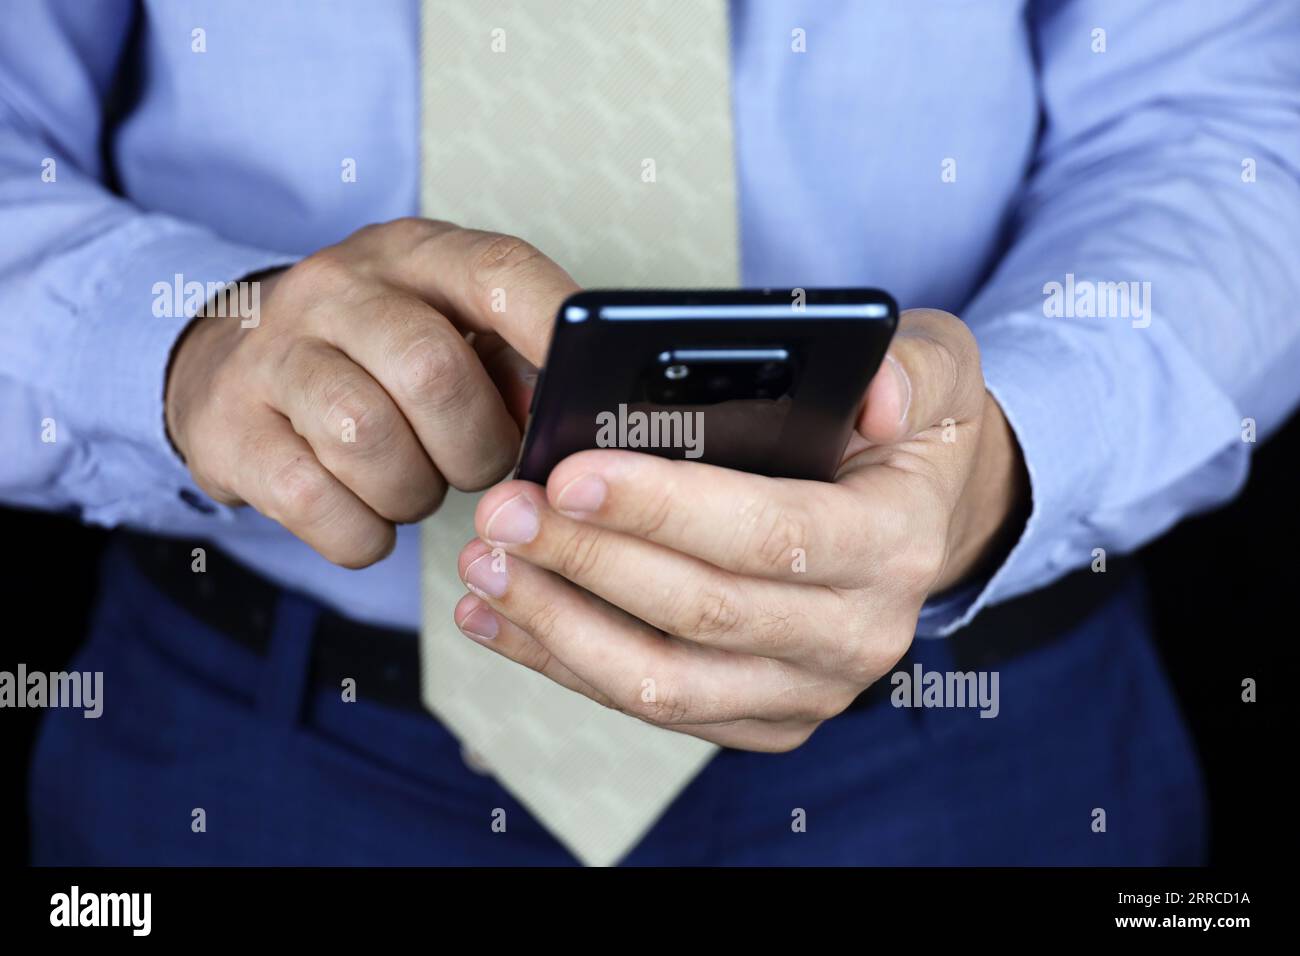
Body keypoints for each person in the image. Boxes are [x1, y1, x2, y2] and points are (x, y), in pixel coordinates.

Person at [3, 0, 1297, 865]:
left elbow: (1229, 118)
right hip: (251, 748)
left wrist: (1006, 451)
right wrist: (180, 340)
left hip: (979, 737)